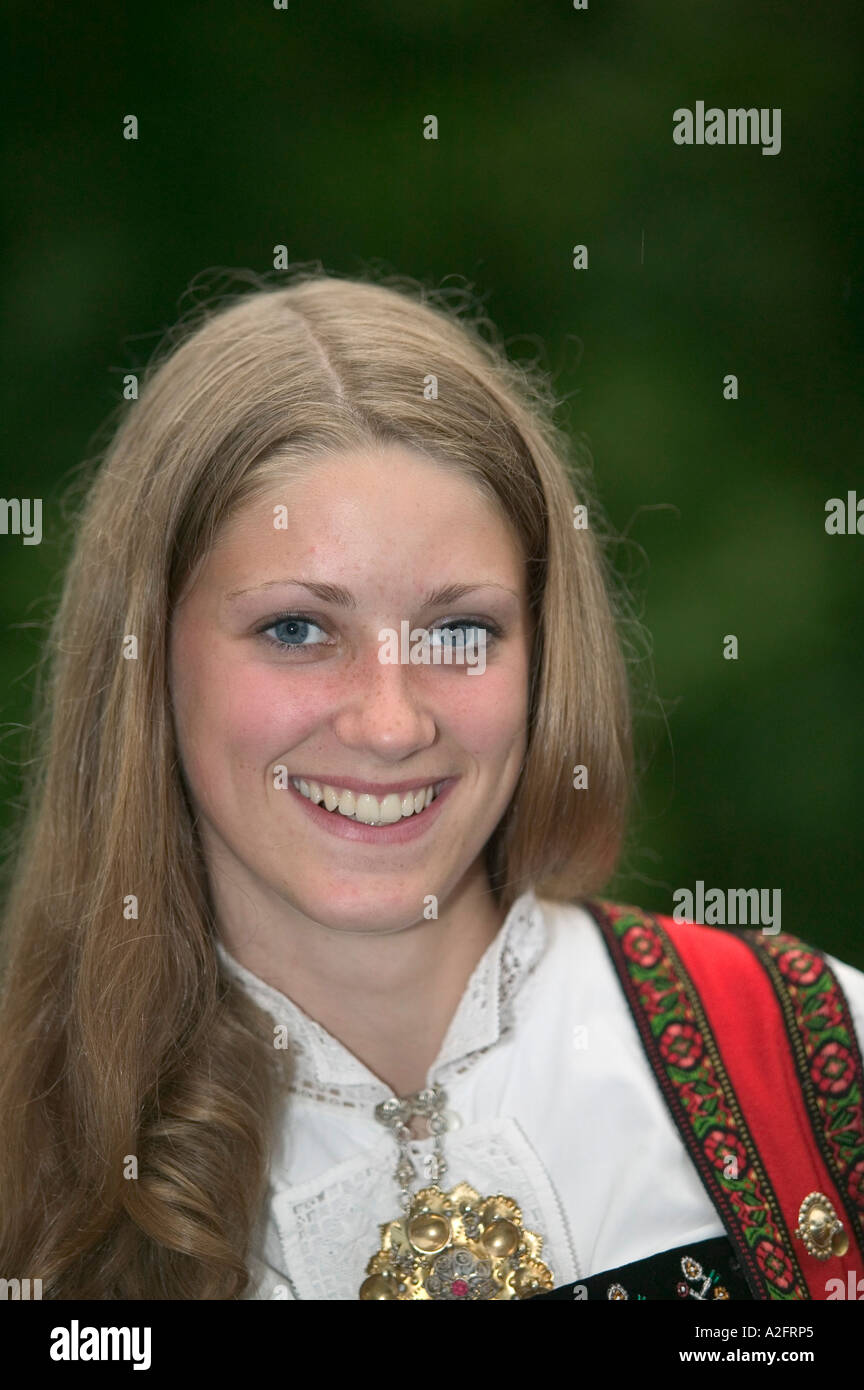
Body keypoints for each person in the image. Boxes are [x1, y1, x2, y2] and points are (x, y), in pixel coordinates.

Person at [0, 269, 861, 1301]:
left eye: (462, 630)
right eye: (297, 629)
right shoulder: (30, 1160)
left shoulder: (815, 1054)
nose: (392, 720)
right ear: (149, 660)